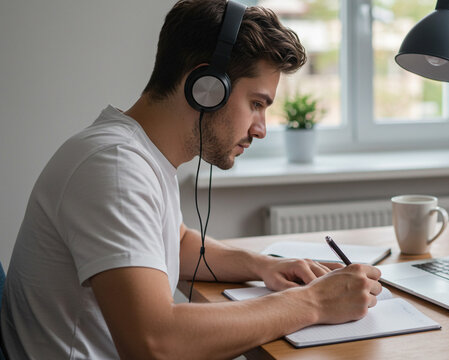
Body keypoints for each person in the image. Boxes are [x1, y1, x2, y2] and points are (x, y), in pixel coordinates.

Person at [0, 1, 382, 358]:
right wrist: (313, 303)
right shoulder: (114, 169)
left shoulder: (136, 155)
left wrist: (263, 265)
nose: (261, 129)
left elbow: (176, 241)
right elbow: (153, 341)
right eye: (256, 104)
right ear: (207, 88)